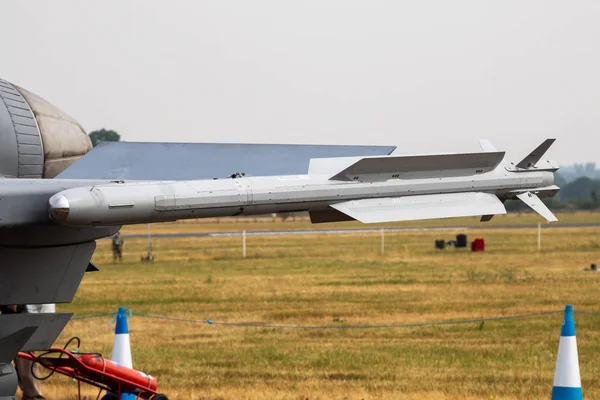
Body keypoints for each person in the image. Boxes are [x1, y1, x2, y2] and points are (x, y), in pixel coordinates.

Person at [0, 304, 54, 400]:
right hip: (23, 312)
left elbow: (13, 305)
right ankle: (32, 394)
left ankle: (33, 395)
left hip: (21, 314)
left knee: (24, 356)